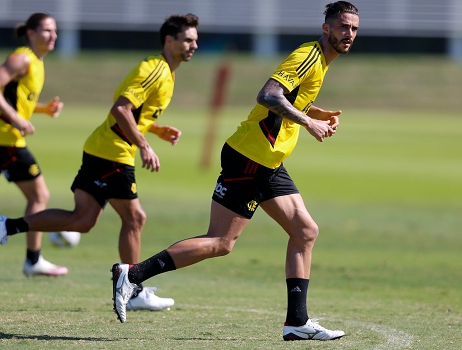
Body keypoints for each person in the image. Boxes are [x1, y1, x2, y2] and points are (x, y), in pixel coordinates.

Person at [110, 1, 360, 341]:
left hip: (267, 160)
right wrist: (308, 124)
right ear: (326, 28)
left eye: (354, 29)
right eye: (343, 26)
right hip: (251, 158)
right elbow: (269, 95)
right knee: (221, 242)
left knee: (305, 231)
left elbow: (289, 98)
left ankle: (296, 323)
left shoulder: (320, 62)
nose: (349, 34)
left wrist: (313, 113)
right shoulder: (309, 56)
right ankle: (133, 274)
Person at [0, 13, 200, 311]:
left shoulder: (167, 73)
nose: (193, 45)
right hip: (113, 152)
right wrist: (145, 144)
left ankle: (6, 226)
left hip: (102, 148)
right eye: (187, 40)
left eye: (195, 40)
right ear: (169, 40)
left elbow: (134, 113)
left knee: (81, 221)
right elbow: (121, 108)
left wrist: (157, 129)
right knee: (135, 218)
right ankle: (133, 289)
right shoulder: (155, 69)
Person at [0, 13, 67, 277]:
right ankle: (33, 259)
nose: (53, 36)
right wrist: (17, 119)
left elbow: (18, 100)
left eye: (55, 31)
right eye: (47, 31)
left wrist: (41, 110)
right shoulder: (22, 59)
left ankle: (34, 260)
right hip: (7, 142)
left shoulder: (38, 63)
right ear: (30, 33)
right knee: (39, 196)